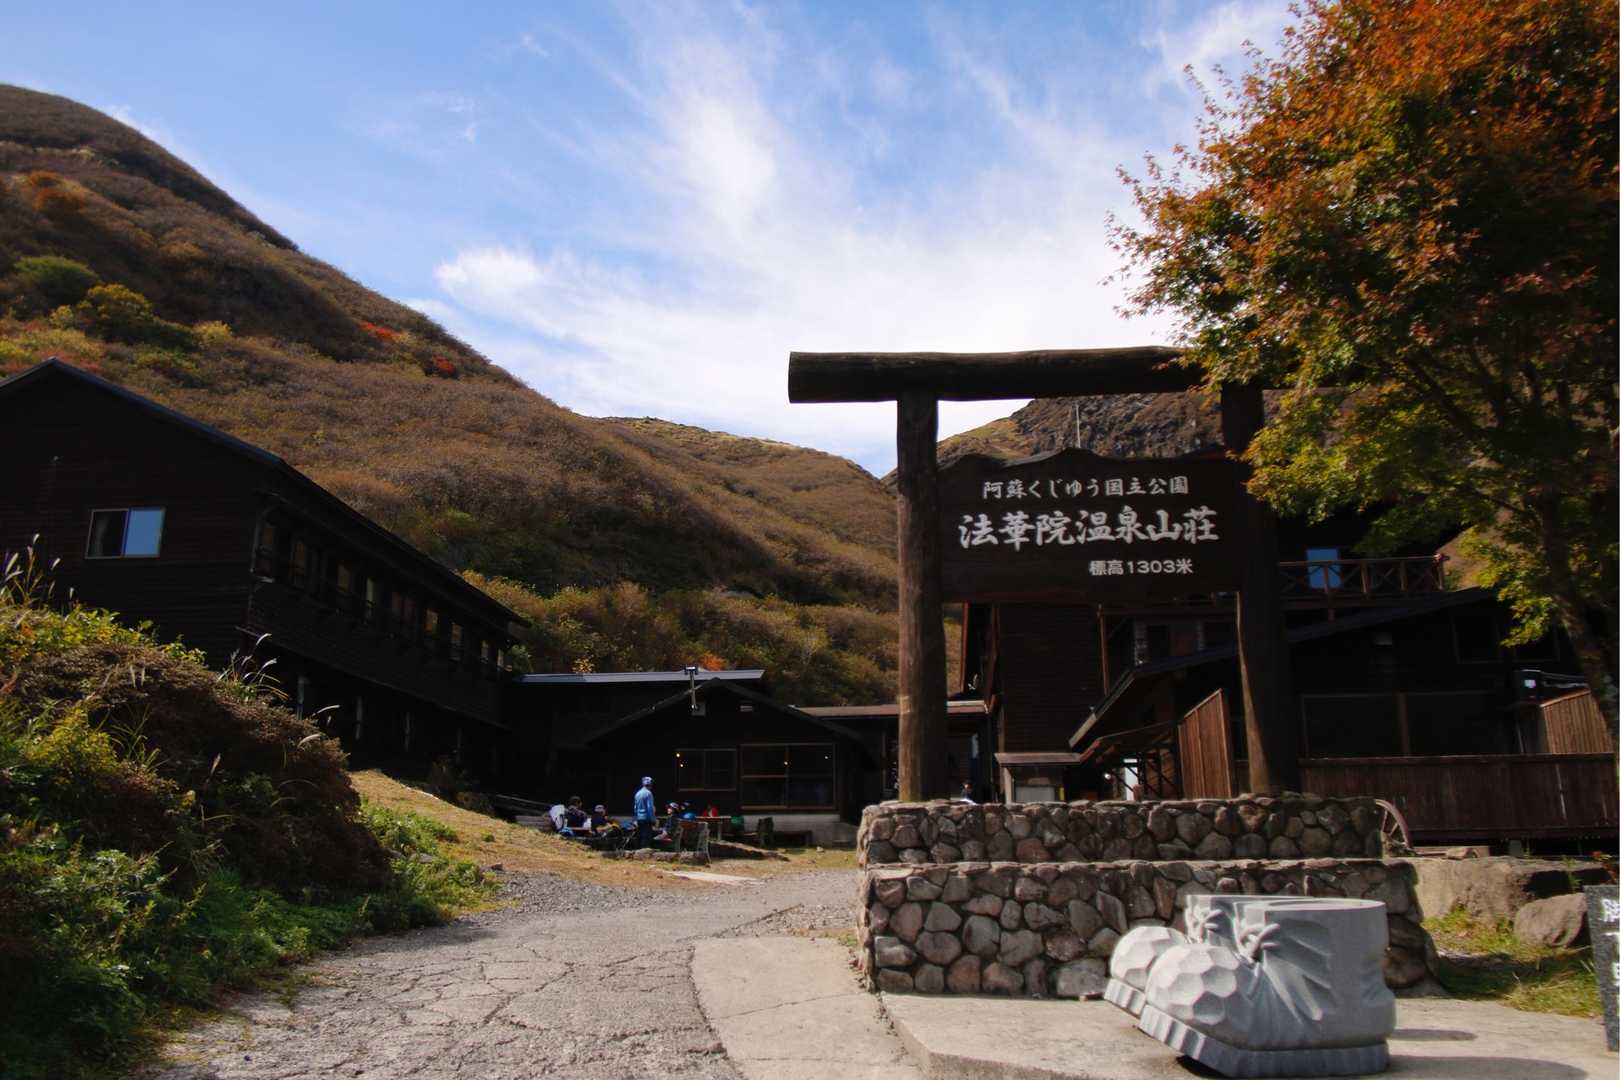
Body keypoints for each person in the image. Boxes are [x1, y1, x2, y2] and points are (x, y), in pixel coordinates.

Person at [633, 776, 656, 847]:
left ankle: (639, 850)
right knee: (646, 837)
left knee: (640, 835)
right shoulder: (648, 793)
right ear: (650, 784)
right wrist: (653, 819)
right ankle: (644, 850)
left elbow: (635, 808)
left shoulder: (637, 793)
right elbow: (650, 808)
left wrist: (635, 818)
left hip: (639, 818)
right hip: (646, 818)